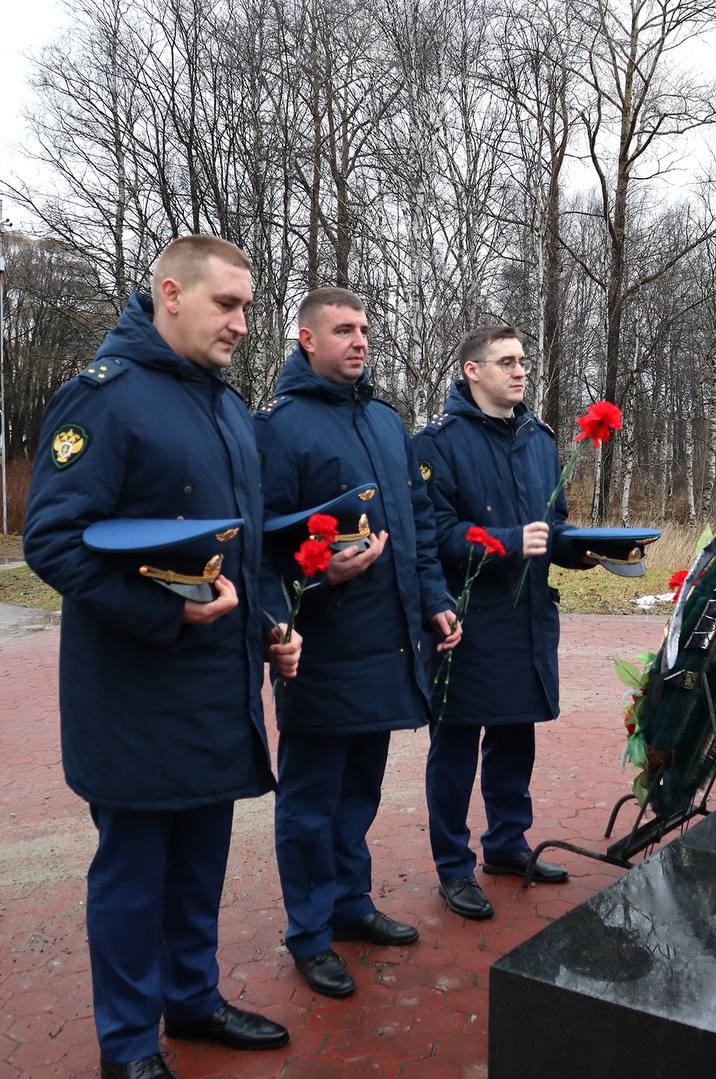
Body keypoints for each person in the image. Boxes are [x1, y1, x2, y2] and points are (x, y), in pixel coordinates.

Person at [24, 235, 301, 1079]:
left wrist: (269, 624)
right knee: (135, 873)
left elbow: (239, 550)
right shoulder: (103, 399)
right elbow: (53, 542)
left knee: (198, 863)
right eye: (228, 305)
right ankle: (128, 1046)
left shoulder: (222, 404)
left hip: (216, 685)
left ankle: (194, 997)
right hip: (135, 692)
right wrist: (161, 615)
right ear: (170, 294)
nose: (244, 324)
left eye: (249, 308)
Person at [255, 287, 461, 997]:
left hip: (389, 644)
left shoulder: (384, 419)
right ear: (306, 340)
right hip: (321, 648)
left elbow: (419, 525)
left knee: (361, 789)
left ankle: (349, 903)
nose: (359, 340)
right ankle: (309, 933)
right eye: (343, 329)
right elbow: (260, 547)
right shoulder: (279, 429)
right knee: (311, 799)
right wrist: (307, 585)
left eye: (365, 328)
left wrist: (434, 600)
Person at [412, 326, 591, 919]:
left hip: (529, 617)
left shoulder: (539, 440)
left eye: (524, 361)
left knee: (517, 735)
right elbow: (434, 535)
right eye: (506, 362)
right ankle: (453, 866)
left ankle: (508, 845)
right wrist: (509, 542)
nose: (520, 372)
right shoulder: (437, 443)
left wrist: (585, 549)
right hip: (468, 619)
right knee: (458, 745)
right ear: (472, 371)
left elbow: (554, 523)